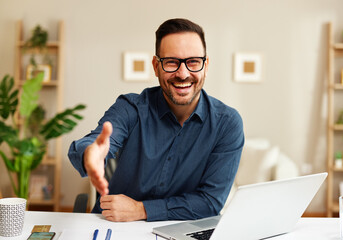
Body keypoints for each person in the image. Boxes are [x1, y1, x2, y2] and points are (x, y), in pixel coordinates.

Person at [68, 18, 244, 222]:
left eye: (193, 62)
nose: (183, 73)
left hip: (180, 231)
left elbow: (210, 202)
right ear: (156, 66)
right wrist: (91, 154)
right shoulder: (130, 108)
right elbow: (97, 142)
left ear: (205, 66)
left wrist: (141, 210)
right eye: (171, 62)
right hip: (114, 227)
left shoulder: (227, 123)